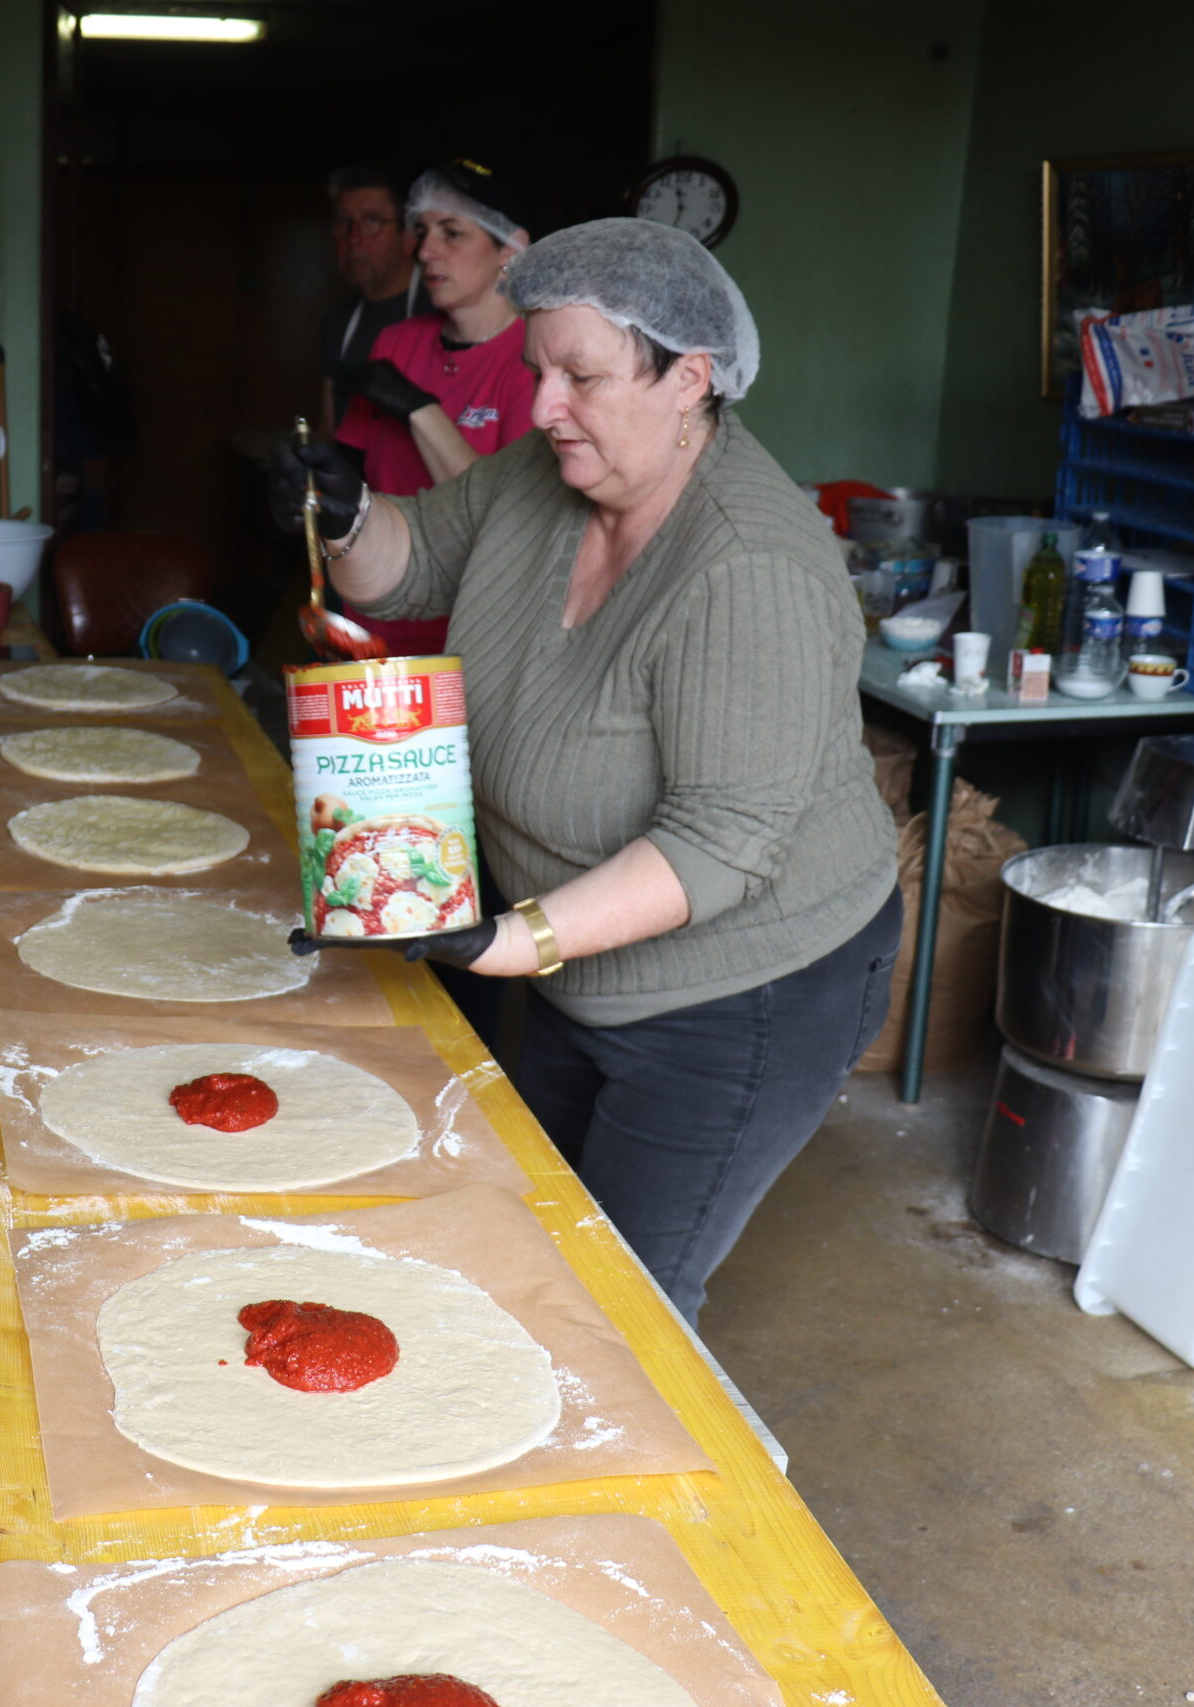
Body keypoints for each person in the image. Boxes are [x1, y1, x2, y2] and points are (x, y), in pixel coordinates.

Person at [270, 219, 902, 1324]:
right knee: (536, 1238)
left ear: (688, 380)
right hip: (571, 958)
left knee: (622, 1308)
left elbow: (717, 846)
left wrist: (504, 942)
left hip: (738, 993)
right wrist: (347, 511)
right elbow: (402, 563)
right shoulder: (546, 472)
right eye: (537, 371)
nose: (543, 406)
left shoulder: (749, 567)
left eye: (581, 377)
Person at [332, 158, 538, 656]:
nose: (426, 251)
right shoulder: (395, 343)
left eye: (452, 234)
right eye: (423, 231)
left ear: (510, 249)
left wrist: (420, 410)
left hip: (466, 635)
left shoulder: (533, 359)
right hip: (368, 619)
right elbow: (353, 482)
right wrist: (314, 489)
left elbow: (506, 519)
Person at [318, 166, 421, 427]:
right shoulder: (337, 322)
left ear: (408, 236)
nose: (353, 239)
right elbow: (330, 428)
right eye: (344, 223)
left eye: (372, 221)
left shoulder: (440, 314)